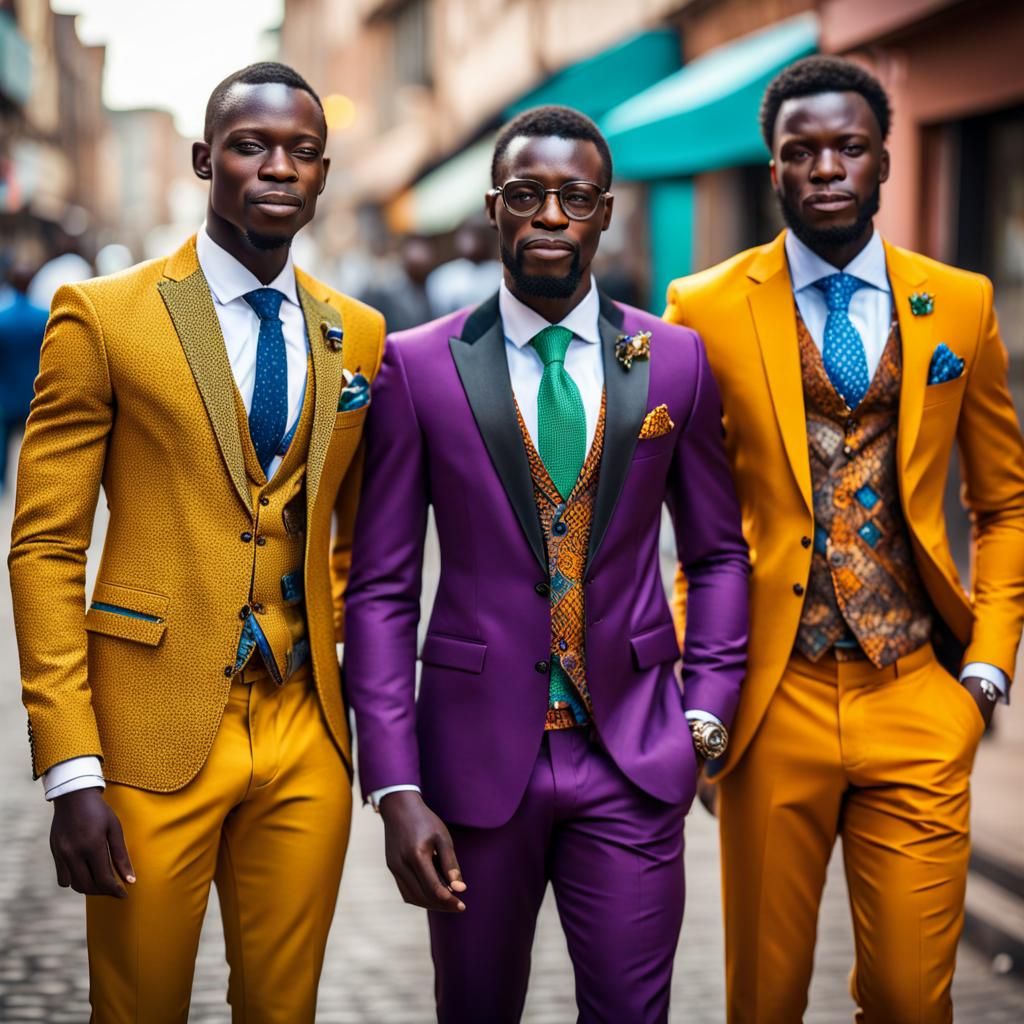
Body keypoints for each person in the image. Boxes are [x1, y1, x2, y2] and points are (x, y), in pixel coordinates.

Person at [343, 105, 749, 1023]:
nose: (551, 217)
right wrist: (397, 783)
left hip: (635, 757)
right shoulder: (419, 366)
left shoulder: (676, 361)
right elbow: (380, 589)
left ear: (607, 212)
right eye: (527, 195)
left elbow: (721, 554)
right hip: (476, 767)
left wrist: (704, 718)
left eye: (575, 198)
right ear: (493, 209)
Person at [8, 62, 384, 1023]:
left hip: (304, 728)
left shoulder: (360, 334)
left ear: (324, 173)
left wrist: (336, 651)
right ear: (202, 158)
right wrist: (71, 767)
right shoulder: (104, 315)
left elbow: (361, 533)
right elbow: (45, 546)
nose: (277, 168)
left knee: (284, 1010)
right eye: (251, 145)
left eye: (302, 151)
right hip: (149, 730)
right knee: (136, 1010)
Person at [664, 56, 1024, 1022]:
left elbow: (1006, 504)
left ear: (884, 162)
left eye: (849, 148)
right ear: (772, 171)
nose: (827, 167)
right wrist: (705, 693)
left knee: (912, 1000)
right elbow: (694, 526)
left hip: (914, 691)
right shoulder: (702, 308)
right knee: (765, 998)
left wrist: (985, 671)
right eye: (802, 151)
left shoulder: (961, 303)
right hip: (769, 700)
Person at [0, 265, 48, 490]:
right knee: (36, 444)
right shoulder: (44, 317)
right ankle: (35, 483)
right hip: (34, 393)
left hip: (6, 393)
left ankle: (2, 484)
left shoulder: (3, 319)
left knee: (3, 444)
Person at [425, 212, 503, 315]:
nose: (469, 242)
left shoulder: (500, 273)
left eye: (477, 235)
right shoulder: (443, 277)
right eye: (466, 235)